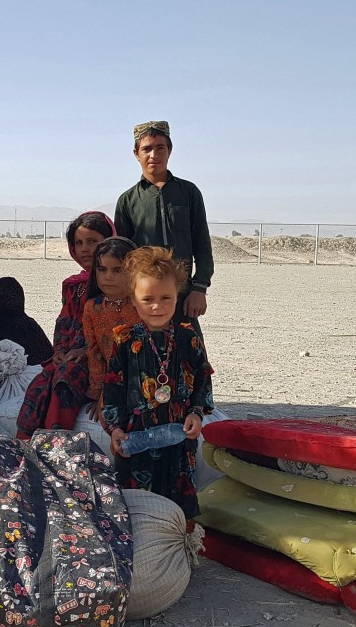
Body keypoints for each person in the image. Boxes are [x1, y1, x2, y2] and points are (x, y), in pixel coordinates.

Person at [101, 246, 214, 520]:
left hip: (178, 435)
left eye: (166, 298)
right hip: (136, 436)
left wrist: (196, 413)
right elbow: (113, 387)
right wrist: (114, 428)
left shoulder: (189, 339)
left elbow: (202, 379)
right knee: (136, 505)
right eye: (148, 298)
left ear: (177, 297)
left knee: (178, 502)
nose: (157, 306)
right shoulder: (125, 340)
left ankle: (180, 549)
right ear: (133, 299)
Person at [15, 211, 114, 439]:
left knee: (64, 381)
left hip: (101, 361)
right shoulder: (72, 285)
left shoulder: (114, 284)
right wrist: (59, 352)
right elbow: (63, 323)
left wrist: (86, 353)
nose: (85, 249)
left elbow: (113, 330)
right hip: (70, 356)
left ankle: (54, 444)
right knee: (38, 385)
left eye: (93, 242)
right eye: (79, 243)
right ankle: (23, 443)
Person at [115, 121, 214, 334]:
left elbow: (202, 245)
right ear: (136, 153)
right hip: (144, 300)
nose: (154, 154)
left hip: (184, 297)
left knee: (191, 360)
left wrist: (200, 288)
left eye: (160, 148)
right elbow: (122, 256)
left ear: (170, 150)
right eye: (147, 148)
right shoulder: (127, 200)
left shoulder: (189, 192)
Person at [81, 236, 140, 419]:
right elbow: (95, 353)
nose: (108, 277)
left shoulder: (143, 306)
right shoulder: (92, 308)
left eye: (117, 270)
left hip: (145, 381)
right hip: (111, 382)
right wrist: (99, 394)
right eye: (102, 269)